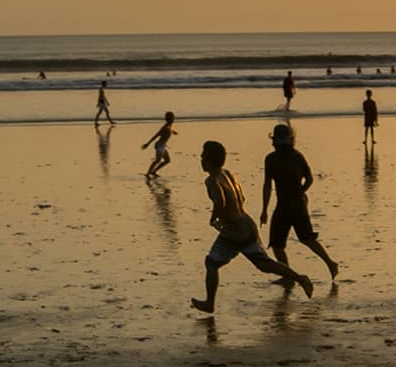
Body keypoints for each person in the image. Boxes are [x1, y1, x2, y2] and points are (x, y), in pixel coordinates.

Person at [192, 141, 313, 313]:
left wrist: (214, 219)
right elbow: (241, 197)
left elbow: (220, 201)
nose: (201, 159)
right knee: (264, 264)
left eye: (203, 156)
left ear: (210, 160)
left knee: (211, 263)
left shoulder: (211, 180)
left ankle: (209, 303)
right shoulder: (228, 174)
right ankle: (300, 278)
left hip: (233, 231)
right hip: (248, 225)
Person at [261, 124, 339, 281]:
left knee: (277, 244)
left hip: (283, 206)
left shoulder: (271, 159)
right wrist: (301, 192)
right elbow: (309, 179)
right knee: (307, 238)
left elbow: (268, 185)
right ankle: (330, 263)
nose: (272, 143)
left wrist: (264, 210)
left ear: (276, 141)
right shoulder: (298, 156)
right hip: (299, 204)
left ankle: (287, 276)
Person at [143, 111, 176, 177]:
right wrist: (147, 144)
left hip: (163, 146)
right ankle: (148, 173)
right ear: (169, 119)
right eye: (172, 118)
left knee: (167, 160)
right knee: (157, 160)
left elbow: (170, 130)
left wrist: (173, 131)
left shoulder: (169, 125)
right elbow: (156, 135)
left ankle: (153, 171)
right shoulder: (165, 127)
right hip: (159, 146)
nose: (174, 119)